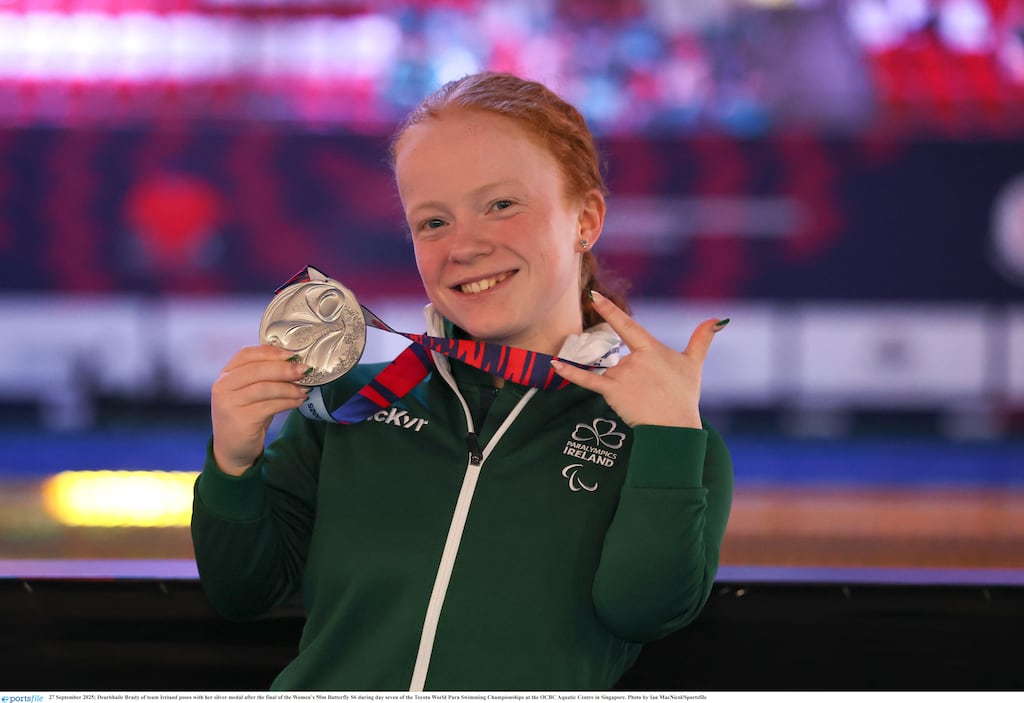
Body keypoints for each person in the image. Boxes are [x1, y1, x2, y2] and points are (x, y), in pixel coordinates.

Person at [191, 71, 734, 692]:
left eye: (501, 205)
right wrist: (233, 465)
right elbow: (243, 591)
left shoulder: (667, 439)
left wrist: (668, 441)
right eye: (432, 223)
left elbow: (643, 610)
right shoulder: (351, 403)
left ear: (585, 218)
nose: (465, 246)